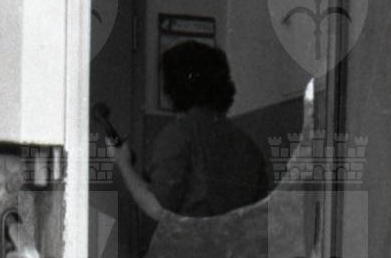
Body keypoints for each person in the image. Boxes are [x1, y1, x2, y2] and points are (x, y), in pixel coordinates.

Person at [103, 41, 270, 222]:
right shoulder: (249, 146)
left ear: (172, 86)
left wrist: (123, 162)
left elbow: (158, 208)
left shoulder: (179, 134)